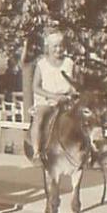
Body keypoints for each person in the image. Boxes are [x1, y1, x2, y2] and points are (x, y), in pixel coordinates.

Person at [28, 29, 78, 165]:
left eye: (61, 46)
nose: (58, 49)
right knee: (39, 118)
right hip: (47, 101)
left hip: (66, 100)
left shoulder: (69, 63)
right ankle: (37, 151)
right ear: (48, 48)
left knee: (84, 117)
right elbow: (36, 87)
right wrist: (53, 96)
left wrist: (71, 93)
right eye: (55, 46)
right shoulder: (42, 64)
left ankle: (86, 151)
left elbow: (74, 83)